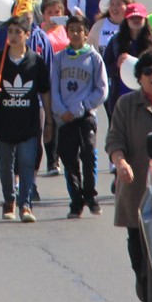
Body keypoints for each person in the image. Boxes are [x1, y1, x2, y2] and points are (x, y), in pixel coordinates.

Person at [104, 49, 152, 300]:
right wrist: (121, 163)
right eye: (148, 72)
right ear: (139, 78)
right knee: (140, 252)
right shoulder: (126, 105)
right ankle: (145, 286)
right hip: (139, 191)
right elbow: (114, 141)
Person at [0, 12, 50, 222]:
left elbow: (44, 91)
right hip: (4, 123)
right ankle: (9, 200)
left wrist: (48, 120)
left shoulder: (35, 61)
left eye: (18, 32)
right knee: (5, 165)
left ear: (27, 35)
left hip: (28, 124)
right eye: (10, 32)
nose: (13, 36)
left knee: (27, 163)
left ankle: (26, 205)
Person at [51, 14, 108, 217]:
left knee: (88, 154)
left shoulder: (94, 58)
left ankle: (90, 195)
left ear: (85, 34)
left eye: (79, 30)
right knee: (68, 159)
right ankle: (76, 200)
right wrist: (61, 110)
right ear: (67, 33)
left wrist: (83, 106)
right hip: (65, 117)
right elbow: (54, 89)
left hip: (85, 116)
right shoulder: (58, 59)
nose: (75, 33)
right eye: (72, 30)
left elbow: (101, 89)